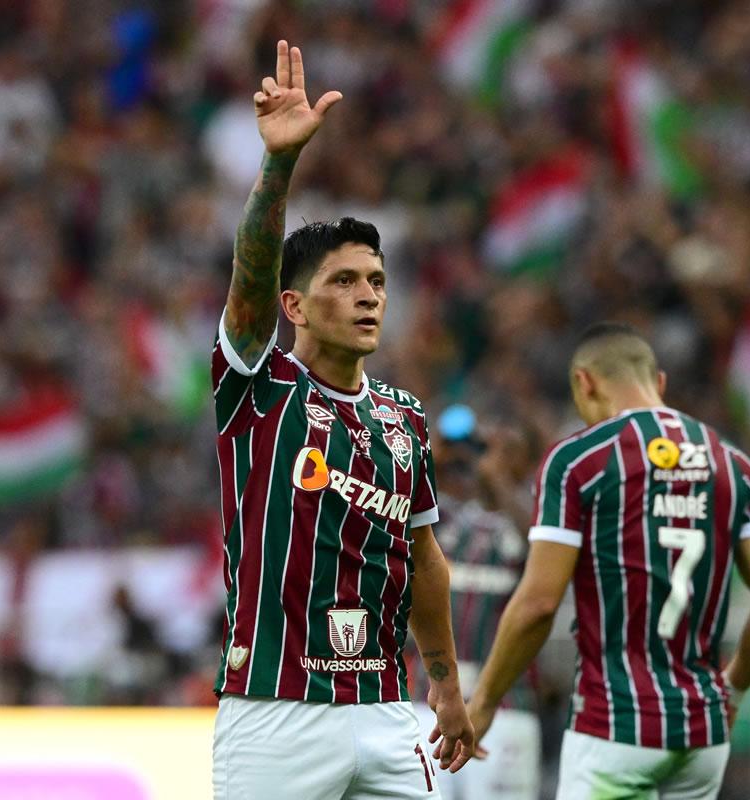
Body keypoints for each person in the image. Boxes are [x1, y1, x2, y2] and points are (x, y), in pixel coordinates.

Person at [209, 41, 474, 798]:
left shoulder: (404, 417)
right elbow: (251, 274)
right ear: (293, 306)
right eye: (346, 281)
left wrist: (447, 685)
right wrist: (279, 167)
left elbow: (424, 559)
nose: (369, 296)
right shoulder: (258, 386)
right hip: (275, 712)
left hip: (388, 711)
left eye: (379, 282)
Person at [464, 322, 750, 800]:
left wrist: (486, 700)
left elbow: (538, 603)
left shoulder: (579, 460)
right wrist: (734, 688)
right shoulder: (735, 464)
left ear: (584, 382)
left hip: (615, 725)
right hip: (703, 733)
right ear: (658, 383)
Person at [409, 406, 543, 800]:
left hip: (507, 709)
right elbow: (406, 505)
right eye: (489, 446)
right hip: (428, 703)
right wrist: (440, 452)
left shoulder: (540, 516)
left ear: (528, 461)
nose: (491, 457)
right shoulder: (447, 517)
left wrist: (498, 481)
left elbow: (536, 547)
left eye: (508, 449)